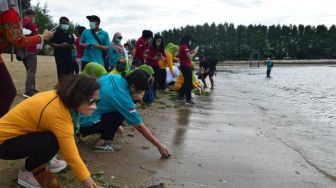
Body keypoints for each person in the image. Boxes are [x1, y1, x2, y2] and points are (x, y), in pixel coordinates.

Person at [0, 75, 102, 188]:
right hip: (3, 144)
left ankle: (45, 159)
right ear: (78, 97)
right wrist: (89, 184)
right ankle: (27, 172)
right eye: (92, 101)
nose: (95, 107)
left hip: (16, 135)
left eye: (97, 101)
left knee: (54, 138)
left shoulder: (58, 97)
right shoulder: (58, 114)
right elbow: (71, 156)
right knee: (53, 141)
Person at [78, 70, 170, 158]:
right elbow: (139, 125)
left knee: (121, 110)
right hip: (86, 123)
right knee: (122, 113)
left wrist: (115, 126)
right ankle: (103, 143)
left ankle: (80, 132)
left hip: (79, 116)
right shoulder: (123, 98)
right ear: (133, 87)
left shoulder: (114, 76)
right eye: (141, 91)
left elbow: (102, 99)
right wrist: (158, 144)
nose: (141, 93)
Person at [0, 0, 53, 117]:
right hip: (30, 51)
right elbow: (18, 40)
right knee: (8, 92)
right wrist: (42, 37)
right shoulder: (9, 12)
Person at [50, 16, 75, 81]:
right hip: (60, 57)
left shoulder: (70, 34)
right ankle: (61, 88)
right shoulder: (55, 33)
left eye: (67, 24)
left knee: (70, 74)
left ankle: (70, 89)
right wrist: (60, 45)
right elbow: (52, 44)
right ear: (60, 24)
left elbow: (73, 44)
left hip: (69, 57)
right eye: (64, 23)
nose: (66, 25)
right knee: (61, 73)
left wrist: (73, 47)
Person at [21, 9, 39, 98]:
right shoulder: (32, 24)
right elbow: (36, 36)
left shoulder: (19, 23)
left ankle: (32, 88)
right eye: (34, 16)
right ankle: (28, 91)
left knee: (29, 71)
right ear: (31, 16)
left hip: (21, 51)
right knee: (31, 71)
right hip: (31, 50)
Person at [177, 34, 198, 105]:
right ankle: (188, 99)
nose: (190, 42)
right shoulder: (185, 46)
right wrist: (194, 53)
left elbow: (185, 55)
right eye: (190, 41)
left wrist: (191, 52)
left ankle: (180, 96)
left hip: (183, 66)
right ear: (187, 40)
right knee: (188, 83)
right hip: (186, 66)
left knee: (186, 82)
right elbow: (189, 57)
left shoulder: (181, 47)